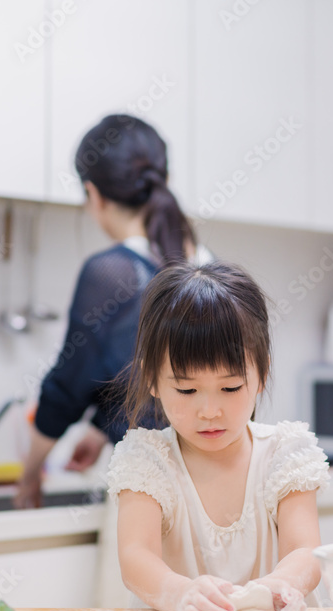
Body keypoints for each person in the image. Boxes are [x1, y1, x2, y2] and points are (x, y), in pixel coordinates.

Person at [106, 261, 330, 611]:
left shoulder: (283, 454)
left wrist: (280, 585)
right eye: (187, 390)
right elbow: (136, 556)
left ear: (262, 374)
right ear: (152, 380)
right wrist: (181, 595)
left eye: (230, 388)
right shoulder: (147, 460)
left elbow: (305, 551)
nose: (210, 411)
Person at [15, 114, 212, 509]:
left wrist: (31, 472)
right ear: (164, 180)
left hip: (150, 499)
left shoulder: (114, 273)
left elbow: (67, 389)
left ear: (94, 194)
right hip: (218, 490)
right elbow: (165, 388)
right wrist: (103, 429)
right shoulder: (212, 271)